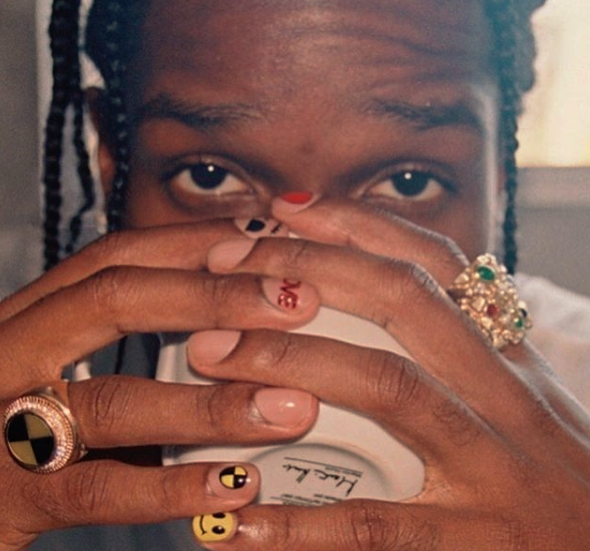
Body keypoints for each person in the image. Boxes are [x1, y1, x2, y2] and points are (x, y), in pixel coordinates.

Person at [1, 0, 590, 550]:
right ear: (111, 163)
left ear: (498, 179)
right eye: (209, 176)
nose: (301, 276)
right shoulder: (22, 416)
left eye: (409, 183)